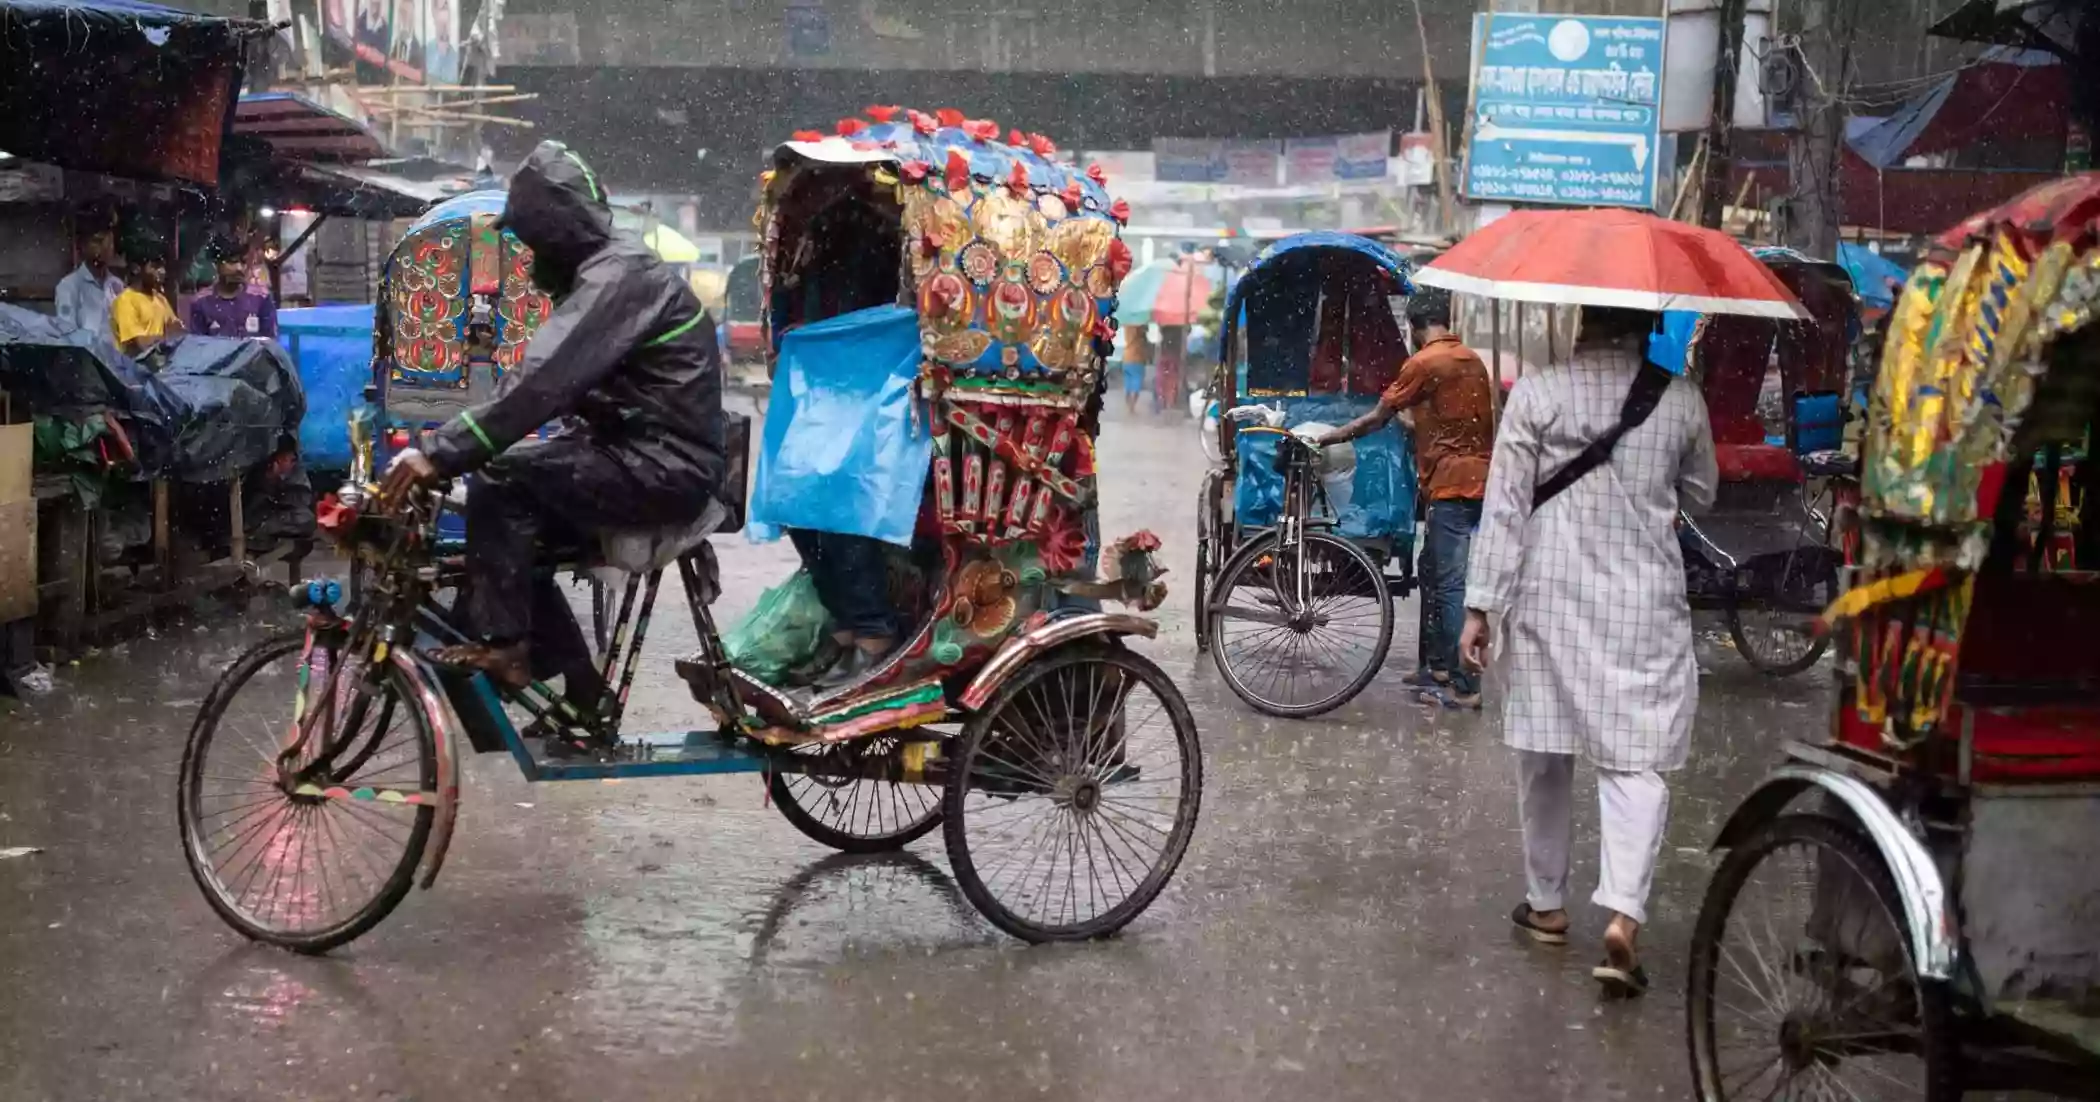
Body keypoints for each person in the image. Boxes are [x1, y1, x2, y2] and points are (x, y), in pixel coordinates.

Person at [380, 141, 725, 751]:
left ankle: (509, 648)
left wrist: (442, 451)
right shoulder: (609, 273)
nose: (527, 255)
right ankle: (585, 695)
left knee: (504, 482)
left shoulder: (621, 276)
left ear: (553, 230)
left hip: (666, 467)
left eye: (531, 240)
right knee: (508, 543)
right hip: (642, 455)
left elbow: (541, 381)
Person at [1457, 305, 1717, 997]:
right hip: (1643, 602)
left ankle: (1546, 904)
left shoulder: (1538, 393)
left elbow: (1505, 507)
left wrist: (1480, 605)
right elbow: (1703, 493)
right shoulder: (1680, 397)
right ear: (1643, 327)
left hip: (1549, 596)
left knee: (1544, 752)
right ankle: (1624, 918)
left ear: (1580, 325)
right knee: (1634, 760)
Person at [1318, 289, 1494, 709]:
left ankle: (1464, 688)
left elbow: (1377, 416)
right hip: (1480, 480)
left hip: (1451, 485)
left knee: (1449, 584)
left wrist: (1333, 436)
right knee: (1433, 573)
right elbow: (1453, 422)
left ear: (1414, 328)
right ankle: (1434, 666)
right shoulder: (1472, 361)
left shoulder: (1424, 362)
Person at [109, 233, 183, 362]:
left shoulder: (161, 299)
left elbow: (180, 333)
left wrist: (162, 338)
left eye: (163, 266)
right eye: (155, 266)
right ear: (137, 268)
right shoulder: (125, 301)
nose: (162, 272)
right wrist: (168, 337)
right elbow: (140, 345)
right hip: (134, 374)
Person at [188, 237, 279, 339]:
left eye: (243, 262)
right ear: (216, 265)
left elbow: (270, 343)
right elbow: (197, 347)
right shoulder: (201, 302)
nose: (239, 268)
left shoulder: (261, 298)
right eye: (232, 262)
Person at [54, 220, 125, 344]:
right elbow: (67, 333)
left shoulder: (117, 285)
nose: (105, 247)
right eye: (98, 241)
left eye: (109, 242)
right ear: (82, 246)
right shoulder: (69, 286)